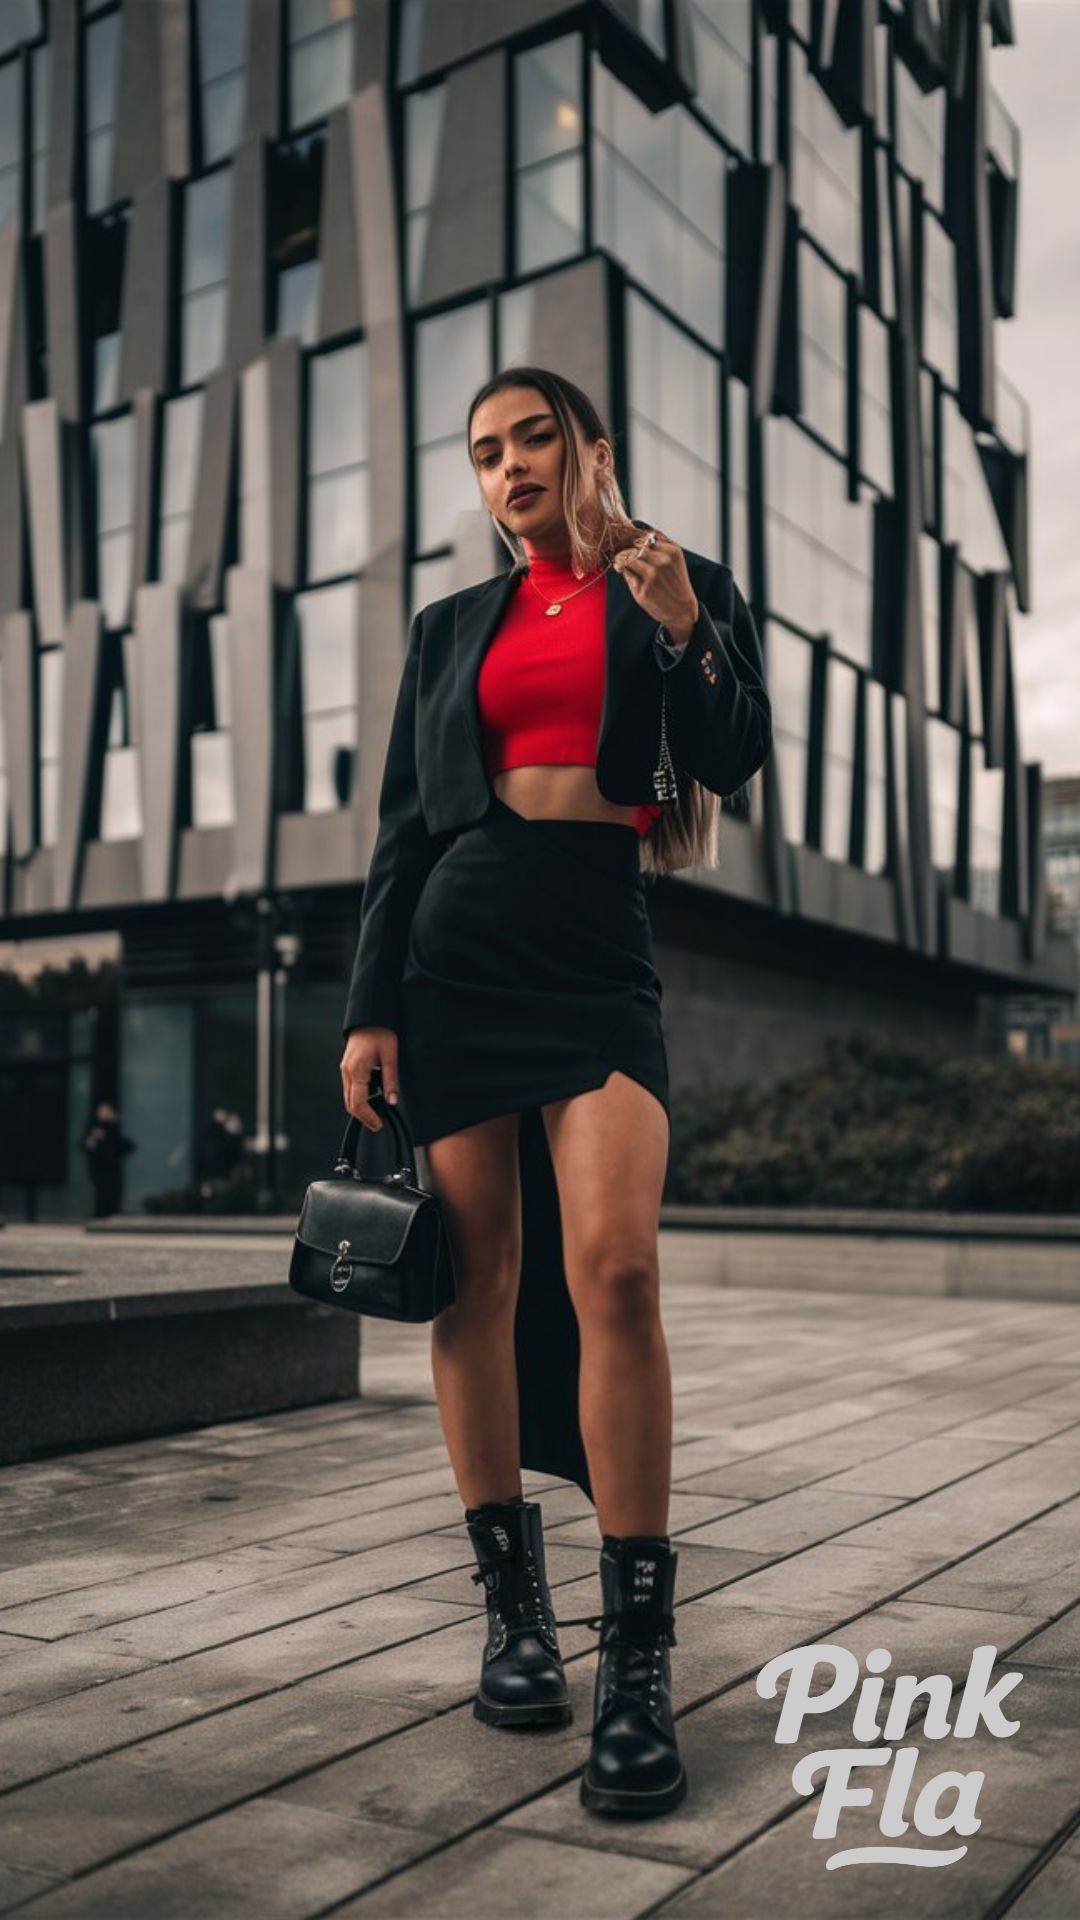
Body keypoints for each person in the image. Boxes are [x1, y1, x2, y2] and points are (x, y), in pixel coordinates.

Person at [339, 366, 771, 1818]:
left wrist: (685, 633)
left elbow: (736, 755)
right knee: (474, 1283)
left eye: (533, 436)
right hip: (457, 950)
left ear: (589, 445)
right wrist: (368, 1008)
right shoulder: (450, 627)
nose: (509, 465)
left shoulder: (678, 581)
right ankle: (513, 1618)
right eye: (484, 451)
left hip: (598, 947)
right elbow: (404, 828)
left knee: (619, 1272)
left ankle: (638, 1662)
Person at [80, 1100, 135, 1218]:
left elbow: (119, 1144)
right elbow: (87, 1146)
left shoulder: (113, 1126)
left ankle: (111, 1212)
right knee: (101, 1191)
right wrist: (94, 1137)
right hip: (98, 1166)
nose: (106, 1113)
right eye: (103, 1110)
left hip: (112, 1165)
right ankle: (100, 1214)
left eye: (108, 1110)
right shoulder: (94, 1125)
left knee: (113, 1190)